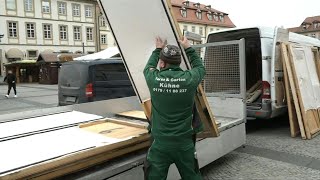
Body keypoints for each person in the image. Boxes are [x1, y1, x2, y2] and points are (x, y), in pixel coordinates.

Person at [143, 36, 205, 180]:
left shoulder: (153, 79)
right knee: (192, 176)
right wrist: (188, 48)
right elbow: (200, 67)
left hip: (160, 145)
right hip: (184, 144)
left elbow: (148, 67)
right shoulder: (190, 79)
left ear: (162, 64)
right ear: (178, 63)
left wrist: (157, 49)